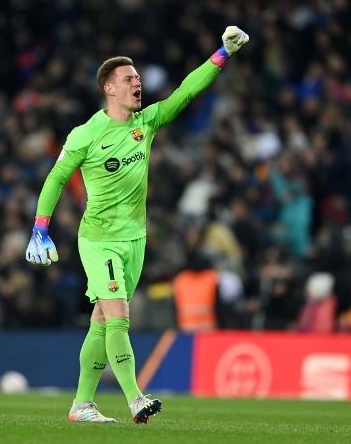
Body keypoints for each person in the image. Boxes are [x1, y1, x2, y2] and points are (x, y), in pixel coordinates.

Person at [26, 26, 249, 424]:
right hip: (99, 239)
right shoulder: (86, 134)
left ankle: (81, 405)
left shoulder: (144, 123)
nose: (137, 83)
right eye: (129, 79)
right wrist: (40, 227)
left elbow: (186, 92)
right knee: (118, 315)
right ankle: (135, 398)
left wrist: (222, 54)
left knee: (100, 321)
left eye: (139, 78)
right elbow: (56, 178)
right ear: (109, 88)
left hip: (135, 239)